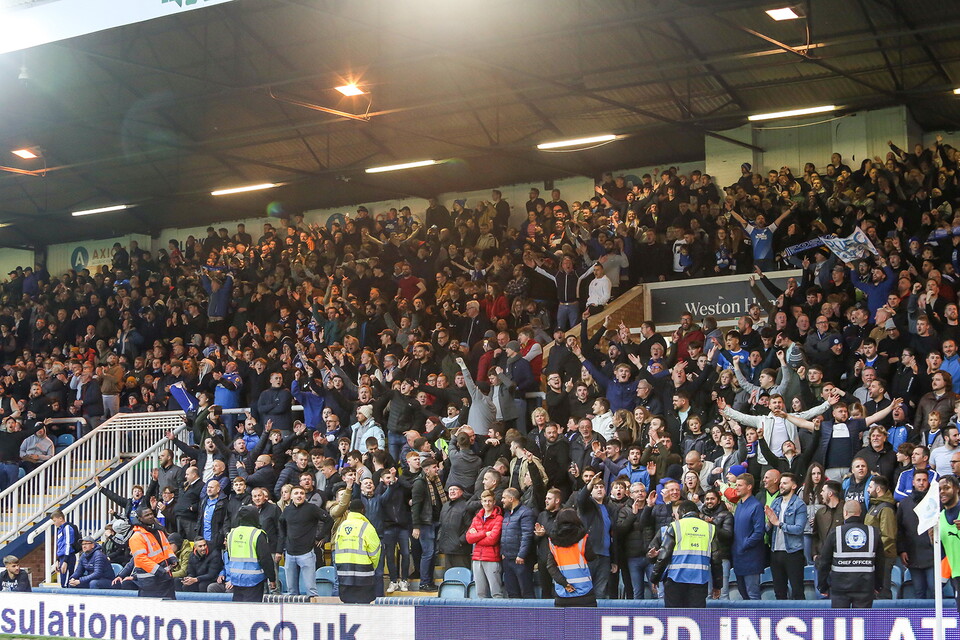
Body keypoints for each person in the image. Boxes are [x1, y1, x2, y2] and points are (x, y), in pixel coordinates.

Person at [650, 499, 722, 608]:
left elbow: (664, 556)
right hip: (699, 580)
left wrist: (655, 578)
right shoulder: (710, 528)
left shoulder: (675, 526)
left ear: (682, 512)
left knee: (673, 619)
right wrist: (717, 585)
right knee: (696, 618)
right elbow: (716, 560)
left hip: (675, 579)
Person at [816, 500, 883, 608]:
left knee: (840, 622)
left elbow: (824, 562)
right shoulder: (873, 532)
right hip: (865, 587)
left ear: (845, 513)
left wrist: (822, 586)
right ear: (860, 512)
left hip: (839, 587)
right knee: (862, 622)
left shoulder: (835, 532)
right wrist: (878, 585)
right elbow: (880, 563)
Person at [277, 486, 326, 597]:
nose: (299, 495)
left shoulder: (312, 508)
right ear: (291, 496)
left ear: (305, 495)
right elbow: (282, 528)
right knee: (291, 591)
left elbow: (328, 520)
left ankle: (313, 613)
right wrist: (280, 549)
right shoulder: (287, 510)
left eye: (302, 493)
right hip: (289, 554)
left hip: (307, 553)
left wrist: (320, 536)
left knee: (311, 590)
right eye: (296, 493)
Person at [765, 472, 807, 600]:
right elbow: (769, 527)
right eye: (781, 483)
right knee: (779, 591)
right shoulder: (776, 502)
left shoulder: (799, 504)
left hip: (793, 552)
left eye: (785, 483)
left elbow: (799, 529)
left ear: (794, 486)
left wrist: (779, 524)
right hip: (776, 551)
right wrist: (769, 523)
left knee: (797, 590)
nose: (781, 486)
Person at [333, 499, 382, 604]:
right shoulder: (367, 527)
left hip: (344, 572)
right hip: (363, 573)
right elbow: (375, 551)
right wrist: (372, 566)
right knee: (363, 606)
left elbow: (336, 547)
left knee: (348, 606)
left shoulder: (342, 526)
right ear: (363, 510)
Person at [224, 505, 277, 602]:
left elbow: (228, 555)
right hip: (254, 580)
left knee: (239, 611)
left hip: (236, 578)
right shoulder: (257, 534)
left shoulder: (232, 533)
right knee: (252, 611)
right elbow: (265, 559)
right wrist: (272, 578)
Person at [546, 509, 597, 607]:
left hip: (563, 593)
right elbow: (591, 557)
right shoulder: (583, 539)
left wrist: (564, 583)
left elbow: (550, 566)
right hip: (584, 592)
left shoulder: (553, 542)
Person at [128, 504, 177, 599]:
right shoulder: (137, 537)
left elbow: (166, 547)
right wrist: (158, 570)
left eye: (151, 514)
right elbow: (140, 559)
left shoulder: (158, 531)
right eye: (147, 515)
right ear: (140, 518)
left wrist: (172, 558)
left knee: (169, 606)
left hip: (165, 578)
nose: (150, 516)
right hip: (150, 581)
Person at [731, 473, 765, 600]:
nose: (737, 488)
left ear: (749, 487)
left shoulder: (756, 506)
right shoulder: (739, 505)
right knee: (743, 594)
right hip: (738, 557)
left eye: (740, 485)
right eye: (736, 485)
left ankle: (756, 620)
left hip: (751, 558)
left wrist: (745, 544)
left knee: (753, 595)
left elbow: (758, 532)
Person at [466, 489, 504, 598]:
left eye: (489, 501)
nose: (487, 503)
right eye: (485, 501)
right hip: (477, 559)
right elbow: (468, 538)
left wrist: (476, 536)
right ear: (481, 502)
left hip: (492, 559)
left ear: (494, 502)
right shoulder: (477, 518)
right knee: (480, 593)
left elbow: (493, 539)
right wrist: (484, 533)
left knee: (496, 592)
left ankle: (498, 614)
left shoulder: (498, 518)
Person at [51, 509, 79, 588]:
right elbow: (60, 545)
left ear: (60, 518)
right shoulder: (60, 530)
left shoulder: (67, 527)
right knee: (63, 581)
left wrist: (65, 561)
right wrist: (58, 560)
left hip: (68, 556)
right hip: (62, 557)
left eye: (55, 520)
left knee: (67, 582)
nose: (54, 523)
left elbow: (68, 544)